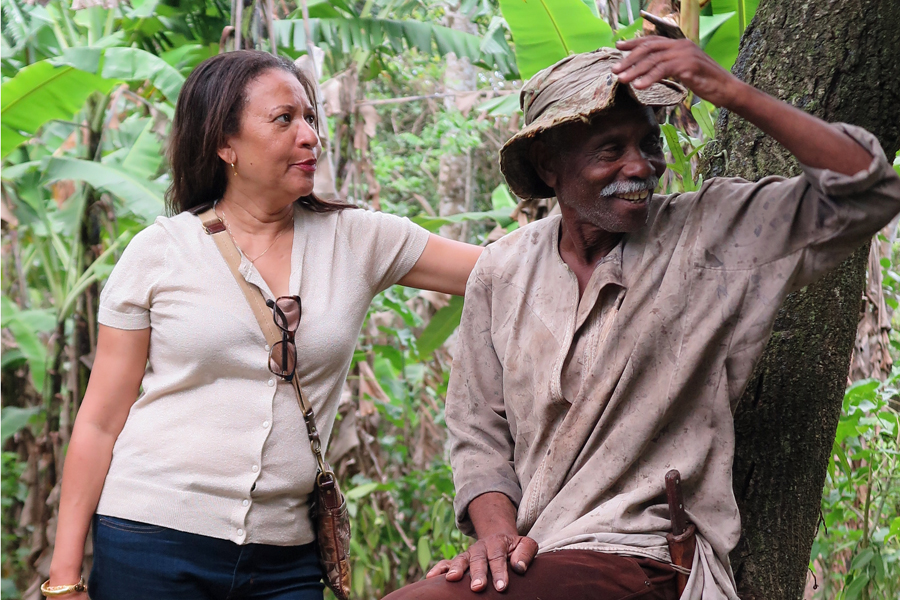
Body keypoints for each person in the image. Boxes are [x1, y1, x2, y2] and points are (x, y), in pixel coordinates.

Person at [383, 36, 900, 600]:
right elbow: (477, 432)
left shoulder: (707, 235)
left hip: (646, 555)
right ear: (548, 164)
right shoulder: (502, 271)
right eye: (609, 150)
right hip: (541, 553)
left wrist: (732, 93)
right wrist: (497, 537)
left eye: (648, 142)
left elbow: (867, 192)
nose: (640, 165)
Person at [44, 50, 482, 600]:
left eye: (310, 118)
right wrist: (63, 580)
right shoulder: (160, 251)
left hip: (285, 559)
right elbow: (100, 422)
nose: (310, 137)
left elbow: (503, 271)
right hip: (152, 540)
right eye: (284, 120)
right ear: (225, 145)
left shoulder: (361, 240)